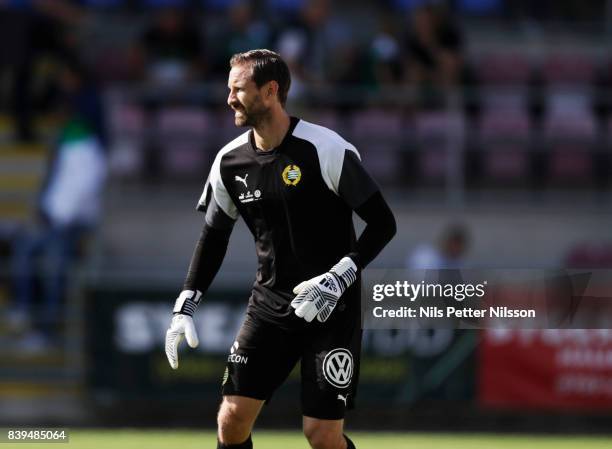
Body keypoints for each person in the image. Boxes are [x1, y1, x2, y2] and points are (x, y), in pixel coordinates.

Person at [164, 49, 396, 449]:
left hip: (332, 308)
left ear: (270, 91)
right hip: (269, 304)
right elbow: (214, 236)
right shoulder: (229, 162)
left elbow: (383, 224)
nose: (229, 98)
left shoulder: (326, 149)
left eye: (238, 89)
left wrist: (337, 278)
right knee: (231, 420)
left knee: (321, 435)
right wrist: (185, 304)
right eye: (228, 89)